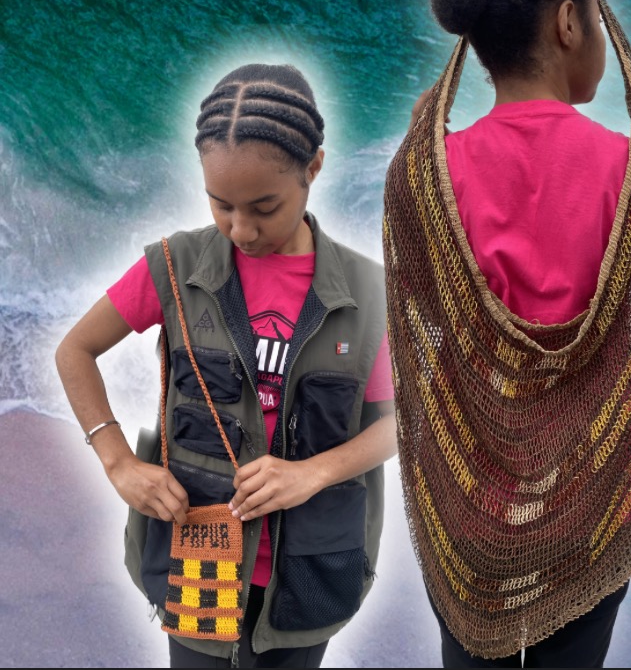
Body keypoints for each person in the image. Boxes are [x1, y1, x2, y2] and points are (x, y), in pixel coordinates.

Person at [390, 0, 631, 668]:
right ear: (567, 22)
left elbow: (427, 347)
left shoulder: (426, 176)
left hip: (470, 511)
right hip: (590, 509)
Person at [55, 63, 397, 668]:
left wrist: (314, 472)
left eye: (265, 206)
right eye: (221, 206)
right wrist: (118, 462)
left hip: (310, 569)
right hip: (195, 556)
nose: (242, 229)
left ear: (313, 167)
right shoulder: (173, 264)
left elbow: (404, 421)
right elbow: (75, 351)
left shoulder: (368, 295)